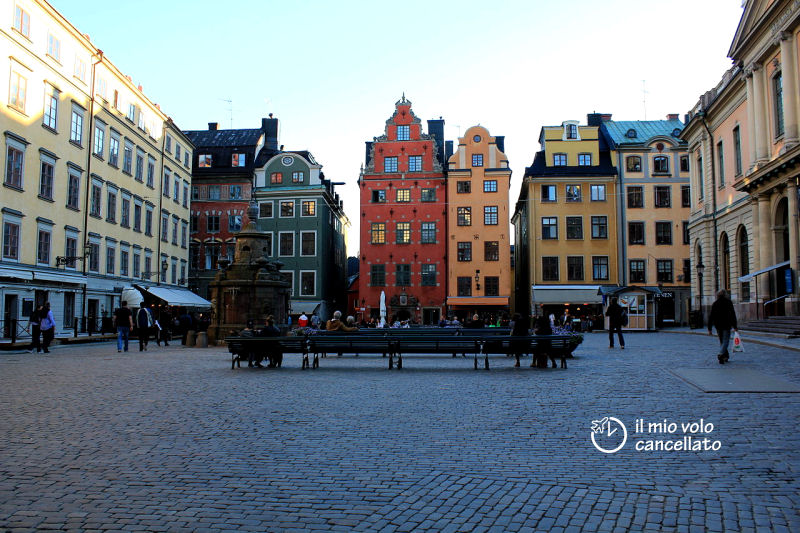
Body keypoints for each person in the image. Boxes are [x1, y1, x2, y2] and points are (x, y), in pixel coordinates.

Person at [708, 289, 738, 364]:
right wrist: (735, 326)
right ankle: (721, 354)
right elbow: (732, 315)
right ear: (725, 295)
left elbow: (711, 316)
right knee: (725, 341)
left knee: (722, 341)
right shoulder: (728, 302)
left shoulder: (715, 303)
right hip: (726, 324)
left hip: (718, 325)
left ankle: (725, 357)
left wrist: (709, 328)